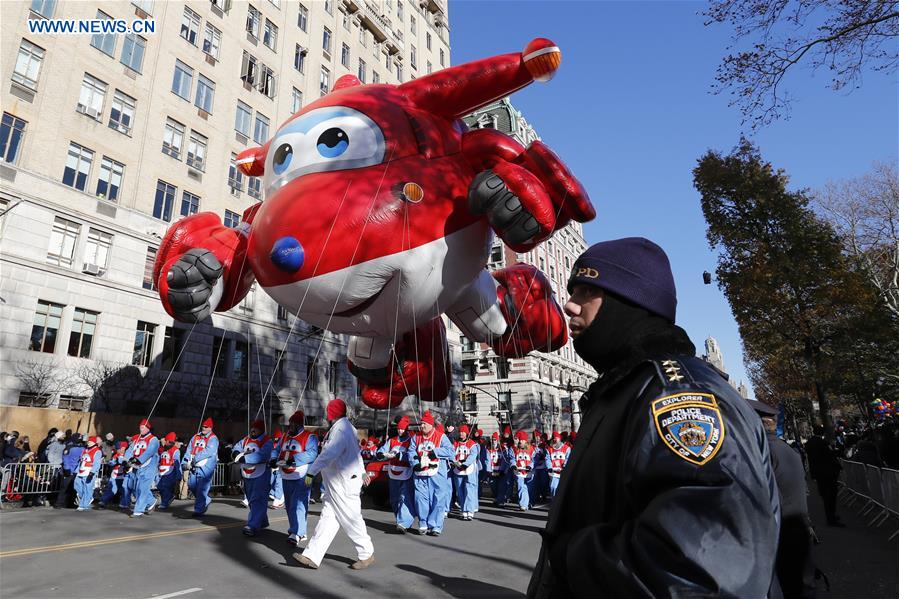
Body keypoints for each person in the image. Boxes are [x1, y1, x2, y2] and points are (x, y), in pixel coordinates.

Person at [527, 237, 780, 598]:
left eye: (586, 291)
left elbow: (703, 567)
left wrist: (569, 556)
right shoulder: (628, 390)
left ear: (629, 301)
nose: (568, 305)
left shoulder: (677, 397)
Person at [293, 399, 374, 570]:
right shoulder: (345, 427)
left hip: (343, 483)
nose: (326, 413)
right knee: (328, 519)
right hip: (337, 483)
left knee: (351, 519)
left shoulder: (341, 429)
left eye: (329, 410)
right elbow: (356, 454)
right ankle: (312, 555)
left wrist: (311, 471)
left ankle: (366, 553)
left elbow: (329, 453)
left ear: (334, 412)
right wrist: (362, 471)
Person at [752, 401, 817, 599]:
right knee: (803, 584)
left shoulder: (764, 453)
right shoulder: (787, 449)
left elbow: (769, 495)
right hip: (799, 523)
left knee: (788, 586)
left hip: (782, 528)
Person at [274, 410, 319, 546]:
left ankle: (297, 533)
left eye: (293, 423)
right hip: (287, 474)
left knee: (300, 503)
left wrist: (294, 459)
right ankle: (296, 529)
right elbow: (277, 450)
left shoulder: (310, 436)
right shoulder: (285, 436)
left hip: (303, 475)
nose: (291, 425)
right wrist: (272, 459)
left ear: (299, 424)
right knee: (289, 505)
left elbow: (312, 453)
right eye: (290, 423)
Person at [408, 410, 455, 536]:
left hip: (437, 473)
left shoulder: (441, 437)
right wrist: (414, 464)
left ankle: (435, 525)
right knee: (420, 498)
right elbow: (411, 452)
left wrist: (436, 452)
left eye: (424, 424)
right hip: (420, 473)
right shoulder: (416, 437)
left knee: (438, 499)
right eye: (421, 424)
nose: (422, 426)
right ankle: (423, 522)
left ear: (431, 424)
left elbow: (451, 452)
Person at [233, 419, 273, 536]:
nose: (253, 430)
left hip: (261, 474)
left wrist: (246, 459)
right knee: (251, 499)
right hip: (247, 473)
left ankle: (252, 525)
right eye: (252, 428)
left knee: (258, 499)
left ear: (261, 430)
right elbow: (237, 446)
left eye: (256, 428)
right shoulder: (246, 439)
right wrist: (236, 453)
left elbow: (263, 455)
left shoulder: (267, 441)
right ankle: (262, 521)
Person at [378, 416, 415, 533]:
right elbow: (382, 450)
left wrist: (400, 456)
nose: (400, 431)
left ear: (406, 429)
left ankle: (403, 523)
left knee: (405, 498)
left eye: (402, 429)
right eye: (399, 429)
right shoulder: (392, 440)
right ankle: (401, 519)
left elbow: (412, 456)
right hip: (393, 472)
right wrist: (380, 454)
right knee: (394, 499)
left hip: (407, 473)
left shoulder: (411, 441)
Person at [804, 425, 843, 526]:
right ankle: (831, 517)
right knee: (831, 496)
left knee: (825, 495)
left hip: (818, 473)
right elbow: (830, 455)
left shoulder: (809, 443)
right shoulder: (822, 443)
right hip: (828, 473)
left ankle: (830, 516)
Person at [182, 418, 219, 516]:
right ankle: (205, 499)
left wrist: (196, 458)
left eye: (206, 427)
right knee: (191, 484)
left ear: (210, 428)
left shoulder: (213, 438)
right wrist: (184, 462)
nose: (204, 428)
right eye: (203, 426)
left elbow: (209, 451)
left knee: (202, 488)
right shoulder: (195, 437)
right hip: (194, 466)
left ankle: (199, 510)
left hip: (206, 467)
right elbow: (189, 450)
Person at [125, 419, 160, 518]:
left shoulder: (154, 439)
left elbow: (149, 452)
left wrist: (139, 460)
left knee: (142, 488)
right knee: (136, 488)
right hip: (137, 467)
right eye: (140, 427)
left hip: (149, 467)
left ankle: (138, 510)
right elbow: (130, 450)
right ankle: (152, 501)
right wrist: (125, 460)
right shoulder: (137, 439)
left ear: (148, 428)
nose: (141, 429)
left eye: (143, 427)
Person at [451, 424, 480, 521]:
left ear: (467, 433)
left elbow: (473, 455)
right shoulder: (455, 443)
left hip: (469, 470)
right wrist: (454, 462)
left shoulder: (471, 443)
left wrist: (466, 463)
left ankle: (470, 510)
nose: (461, 434)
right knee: (460, 491)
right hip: (458, 469)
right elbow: (451, 454)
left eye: (463, 432)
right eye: (460, 432)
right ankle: (464, 510)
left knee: (469, 490)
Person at [74, 436, 103, 511]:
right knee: (77, 485)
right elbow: (81, 461)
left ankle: (83, 505)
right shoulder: (85, 450)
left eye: (90, 442)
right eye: (88, 441)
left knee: (87, 488)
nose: (88, 443)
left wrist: (92, 472)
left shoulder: (97, 451)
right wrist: (76, 471)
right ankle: (88, 497)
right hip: (81, 471)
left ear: (94, 442)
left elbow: (97, 463)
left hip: (89, 471)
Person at [56, 433, 84, 508]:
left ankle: (70, 503)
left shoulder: (83, 448)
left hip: (76, 472)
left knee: (73, 489)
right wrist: (66, 469)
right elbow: (65, 458)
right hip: (68, 471)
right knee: (64, 488)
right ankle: (59, 503)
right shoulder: (69, 448)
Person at [511, 431, 537, 511]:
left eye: (522, 440)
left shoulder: (531, 449)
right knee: (521, 487)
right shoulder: (514, 449)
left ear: (525, 441)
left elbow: (534, 460)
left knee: (529, 488)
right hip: (519, 472)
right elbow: (512, 458)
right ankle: (523, 504)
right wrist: (513, 465)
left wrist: (530, 466)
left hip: (529, 472)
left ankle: (530, 502)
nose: (520, 442)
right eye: (519, 440)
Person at [484, 432, 511, 506]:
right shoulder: (488, 449)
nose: (494, 441)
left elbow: (506, 461)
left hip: (501, 471)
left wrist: (503, 470)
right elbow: (487, 460)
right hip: (492, 471)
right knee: (493, 485)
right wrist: (488, 470)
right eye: (493, 440)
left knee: (501, 486)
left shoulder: (503, 449)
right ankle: (497, 497)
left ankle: (501, 500)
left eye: (495, 440)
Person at [99, 442, 128, 509]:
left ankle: (124, 504)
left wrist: (120, 460)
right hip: (115, 475)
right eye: (117, 449)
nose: (118, 450)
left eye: (119, 448)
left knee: (124, 489)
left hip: (123, 475)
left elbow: (124, 462)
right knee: (112, 489)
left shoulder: (127, 454)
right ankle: (103, 501)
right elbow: (111, 462)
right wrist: (114, 462)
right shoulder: (116, 455)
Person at [156, 432, 181, 510]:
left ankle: (165, 502)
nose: (170, 444)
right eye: (169, 442)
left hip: (170, 471)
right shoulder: (162, 449)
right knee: (159, 486)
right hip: (161, 471)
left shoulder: (175, 450)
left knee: (166, 487)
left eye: (172, 442)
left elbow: (177, 463)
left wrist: (178, 474)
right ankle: (169, 497)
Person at [545, 432, 570, 499]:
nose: (555, 440)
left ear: (559, 439)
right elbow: (548, 459)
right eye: (553, 438)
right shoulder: (549, 449)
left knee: (563, 488)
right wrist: (549, 467)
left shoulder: (566, 448)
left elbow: (568, 458)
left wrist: (565, 466)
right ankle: (554, 503)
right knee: (553, 487)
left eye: (556, 438)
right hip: (554, 472)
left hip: (563, 472)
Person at [270, 428, 285, 509]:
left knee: (279, 482)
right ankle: (274, 495)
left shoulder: (284, 440)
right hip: (276, 465)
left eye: (277, 438)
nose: (276, 439)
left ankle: (278, 499)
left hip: (284, 465)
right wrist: (273, 459)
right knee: (272, 481)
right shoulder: (275, 444)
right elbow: (274, 452)